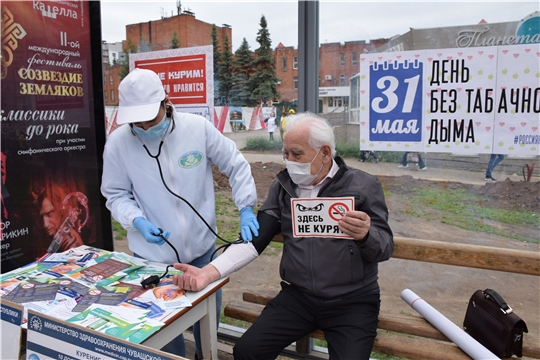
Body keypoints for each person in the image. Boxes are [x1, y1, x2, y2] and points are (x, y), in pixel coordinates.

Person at [172, 112, 394, 360]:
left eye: (297, 153)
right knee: (247, 352)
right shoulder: (283, 186)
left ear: (325, 152)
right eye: (285, 153)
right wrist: (206, 272)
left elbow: (384, 248)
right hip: (298, 298)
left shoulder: (363, 186)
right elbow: (255, 242)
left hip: (352, 301)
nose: (289, 161)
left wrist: (366, 235)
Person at [100, 68, 259, 359]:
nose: (145, 127)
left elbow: (235, 164)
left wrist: (246, 207)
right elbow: (115, 194)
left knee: (207, 324)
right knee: (164, 333)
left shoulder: (196, 128)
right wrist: (136, 220)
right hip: (154, 260)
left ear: (166, 102)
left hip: (202, 252)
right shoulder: (118, 144)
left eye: (151, 119)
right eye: (138, 122)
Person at [33, 181, 84, 253]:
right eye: (42, 217)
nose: (45, 224)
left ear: (60, 210)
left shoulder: (70, 244)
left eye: (50, 213)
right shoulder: (60, 236)